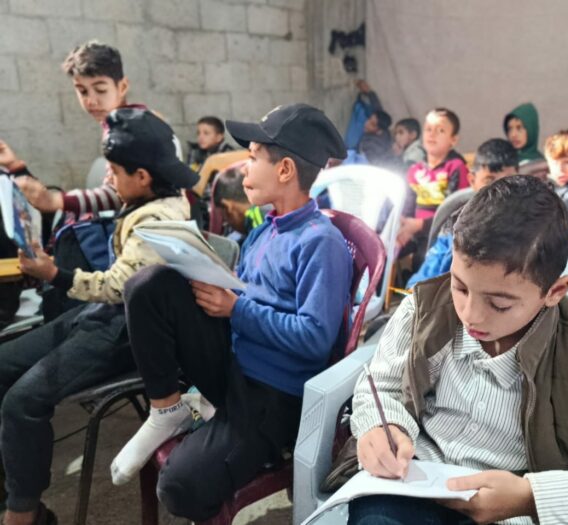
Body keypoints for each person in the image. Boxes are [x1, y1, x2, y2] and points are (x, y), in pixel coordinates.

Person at [343, 175, 568, 525]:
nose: (470, 315)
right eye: (460, 287)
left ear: (555, 292)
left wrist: (532, 497)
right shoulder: (425, 309)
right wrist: (383, 425)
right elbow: (382, 388)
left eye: (499, 304)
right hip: (416, 483)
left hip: (512, 510)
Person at [109, 104, 353, 522]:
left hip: (273, 394)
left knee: (179, 487)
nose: (243, 168)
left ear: (285, 170)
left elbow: (314, 340)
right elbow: (247, 296)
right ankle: (168, 410)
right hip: (235, 363)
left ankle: (240, 437)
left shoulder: (320, 242)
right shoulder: (263, 230)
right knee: (150, 285)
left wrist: (236, 308)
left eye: (254, 156)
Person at [0, 108, 196, 525]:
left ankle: (24, 512)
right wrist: (36, 187)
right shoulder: (149, 190)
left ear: (141, 175)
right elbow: (98, 198)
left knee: (22, 402)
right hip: (99, 313)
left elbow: (118, 287)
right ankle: (13, 489)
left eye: (114, 171)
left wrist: (54, 274)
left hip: (126, 330)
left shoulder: (159, 219)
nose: (108, 178)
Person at [0, 42, 145, 216]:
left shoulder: (131, 128)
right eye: (83, 91)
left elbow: (119, 195)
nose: (91, 101)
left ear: (122, 87)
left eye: (100, 90)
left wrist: (55, 200)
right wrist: (15, 167)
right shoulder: (116, 124)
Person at [406, 138, 518, 289]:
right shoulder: (456, 227)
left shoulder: (530, 225)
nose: (499, 191)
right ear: (472, 180)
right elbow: (420, 284)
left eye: (508, 182)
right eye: (489, 181)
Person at [398, 108, 469, 271]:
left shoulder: (456, 167)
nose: (432, 134)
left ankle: (417, 285)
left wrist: (420, 225)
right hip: (413, 230)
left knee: (424, 259)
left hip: (440, 233)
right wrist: (402, 222)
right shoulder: (415, 169)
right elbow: (408, 204)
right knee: (383, 249)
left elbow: (457, 211)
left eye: (440, 130)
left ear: (453, 140)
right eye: (428, 129)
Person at [211, 163, 268, 244]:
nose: (229, 224)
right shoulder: (269, 203)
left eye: (225, 219)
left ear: (228, 207)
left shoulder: (256, 219)